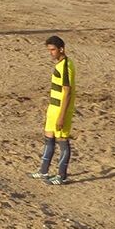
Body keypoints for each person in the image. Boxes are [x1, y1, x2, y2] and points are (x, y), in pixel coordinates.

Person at [31, 36, 76, 185]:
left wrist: (62, 116)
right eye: (49, 50)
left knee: (63, 142)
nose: (50, 53)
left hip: (61, 110)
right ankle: (43, 171)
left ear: (61, 49)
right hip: (53, 108)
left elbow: (67, 92)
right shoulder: (60, 65)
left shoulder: (66, 66)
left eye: (53, 50)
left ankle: (62, 176)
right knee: (48, 138)